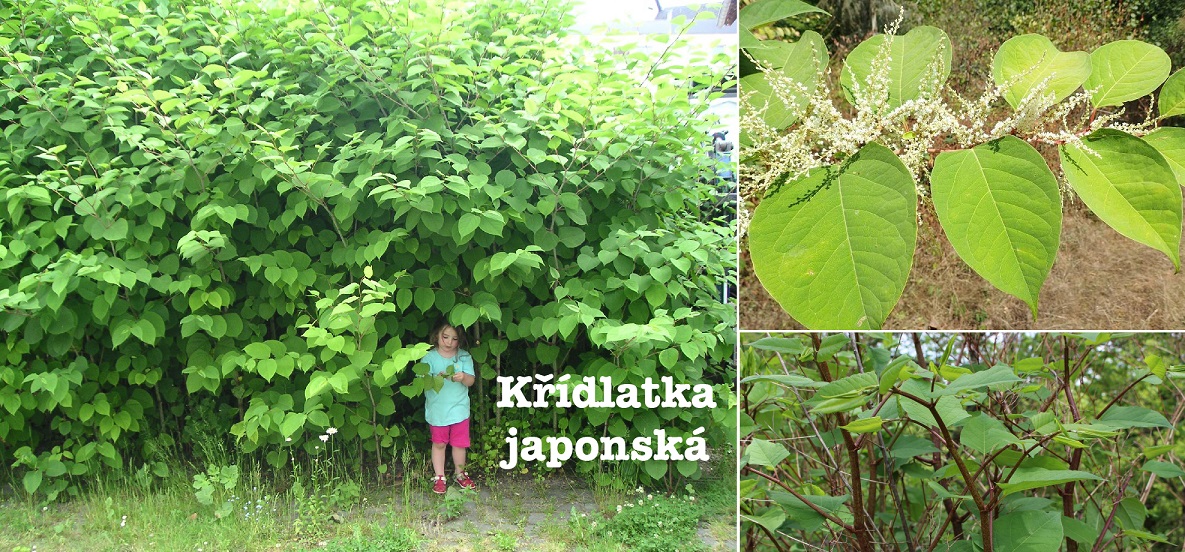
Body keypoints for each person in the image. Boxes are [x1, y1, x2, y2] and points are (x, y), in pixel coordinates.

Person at [422, 320, 477, 494]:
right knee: (439, 443)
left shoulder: (463, 357)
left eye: (454, 339)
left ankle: (460, 474)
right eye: (445, 337)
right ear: (436, 336)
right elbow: (421, 381)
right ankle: (439, 477)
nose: (449, 342)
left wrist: (463, 377)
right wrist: (434, 378)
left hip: (459, 410)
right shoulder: (429, 358)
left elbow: (471, 381)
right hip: (437, 410)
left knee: (460, 444)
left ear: (459, 341)